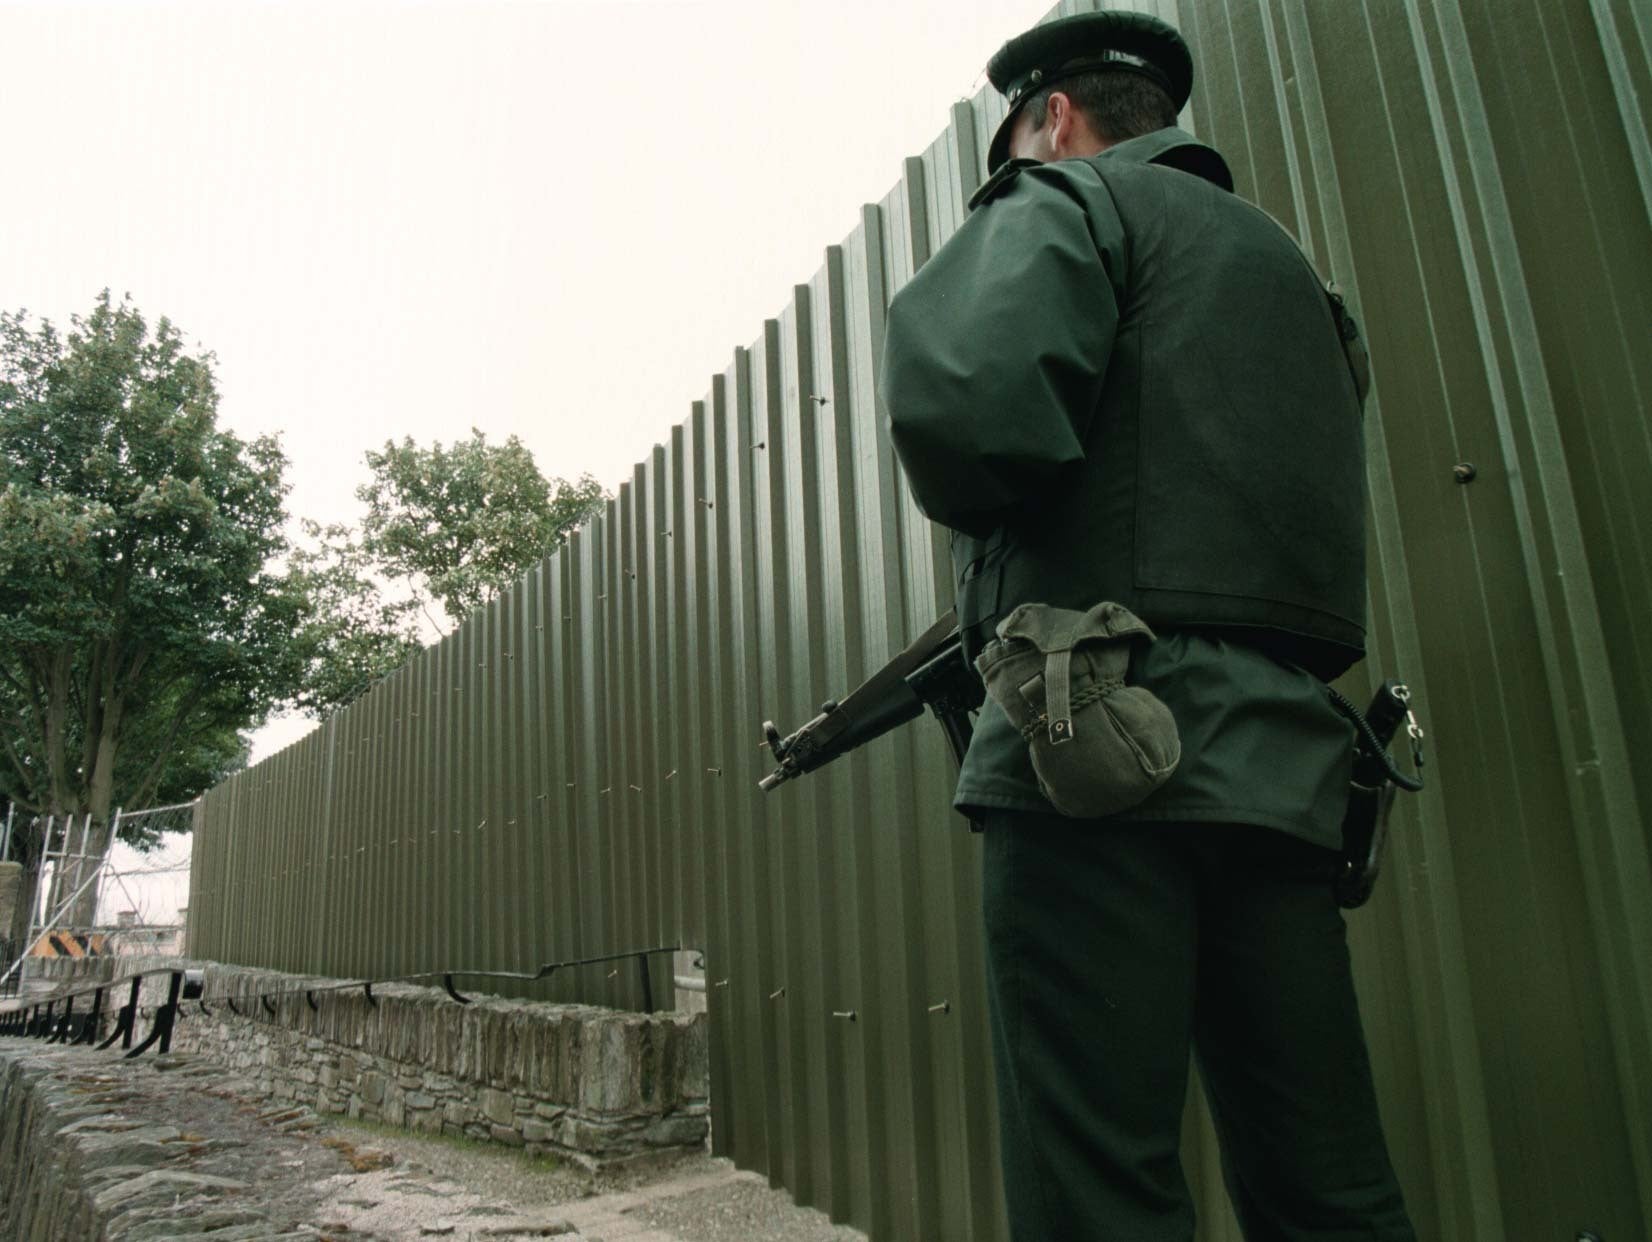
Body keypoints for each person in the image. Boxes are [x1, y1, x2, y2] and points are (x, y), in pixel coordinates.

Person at [878, 10, 1417, 1240]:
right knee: (1325, 1185)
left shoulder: (1062, 205)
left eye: (1016, 140)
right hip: (1283, 769)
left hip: (1094, 753)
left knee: (1098, 1189)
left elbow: (971, 426)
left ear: (1051, 119)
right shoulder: (1301, 285)